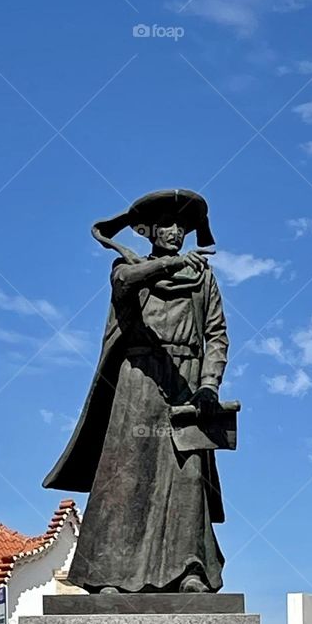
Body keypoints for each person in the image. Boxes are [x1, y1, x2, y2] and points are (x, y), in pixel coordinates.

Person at [43, 189, 230, 593]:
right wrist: (172, 263)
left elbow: (216, 334)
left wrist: (209, 384)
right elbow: (126, 283)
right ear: (149, 232)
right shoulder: (125, 269)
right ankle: (108, 573)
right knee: (124, 476)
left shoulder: (203, 278)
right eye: (168, 225)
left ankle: (190, 571)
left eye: (183, 227)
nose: (176, 232)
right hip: (138, 379)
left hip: (186, 383)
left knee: (187, 478)